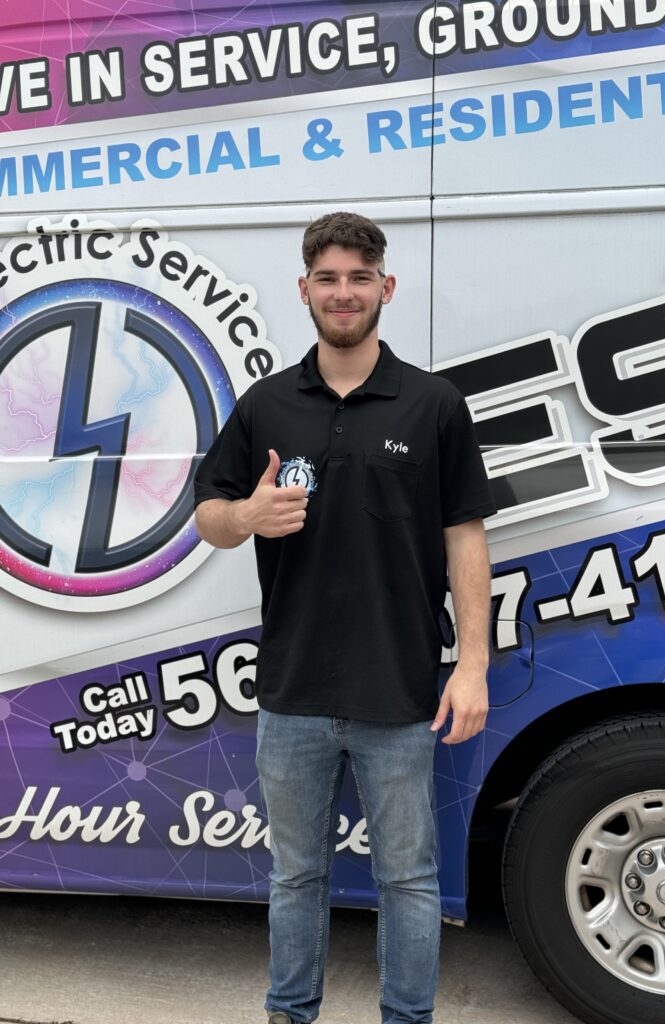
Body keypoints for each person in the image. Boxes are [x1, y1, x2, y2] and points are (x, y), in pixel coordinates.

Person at [194, 212, 496, 1024]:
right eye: (327, 278)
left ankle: (408, 1020)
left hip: (398, 690)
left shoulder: (432, 404)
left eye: (359, 278)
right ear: (305, 290)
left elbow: (465, 537)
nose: (344, 292)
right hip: (291, 691)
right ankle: (289, 1015)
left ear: (384, 288)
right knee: (296, 877)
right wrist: (247, 516)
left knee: (407, 879)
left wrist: (473, 665)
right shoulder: (266, 405)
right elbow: (210, 517)